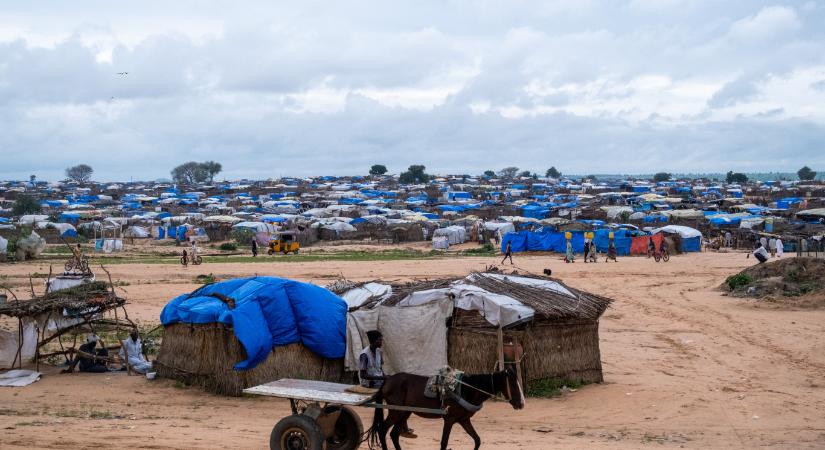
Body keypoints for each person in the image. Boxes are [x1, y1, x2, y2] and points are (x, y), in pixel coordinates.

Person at [359, 331, 417, 439]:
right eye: (380, 340)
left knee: (399, 389)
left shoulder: (379, 352)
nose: (381, 342)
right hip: (369, 384)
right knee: (399, 398)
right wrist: (382, 378)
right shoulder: (364, 355)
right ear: (374, 341)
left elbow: (379, 370)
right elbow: (363, 375)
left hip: (380, 381)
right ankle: (402, 428)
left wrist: (387, 377)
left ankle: (402, 427)